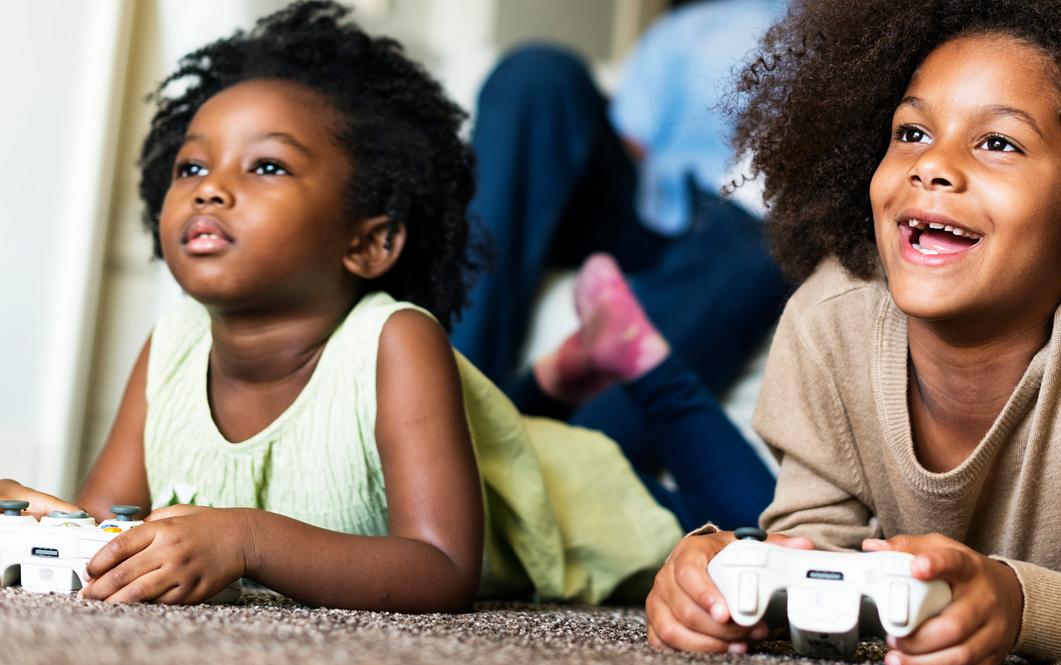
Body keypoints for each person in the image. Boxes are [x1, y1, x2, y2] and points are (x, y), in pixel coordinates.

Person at [0, 0, 782, 610]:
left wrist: (243, 539)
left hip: (590, 512)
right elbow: (107, 529)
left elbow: (442, 569)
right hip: (517, 437)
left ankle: (642, 367)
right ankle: (555, 383)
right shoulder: (169, 344)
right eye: (190, 165)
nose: (209, 184)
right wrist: (37, 519)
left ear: (370, 244)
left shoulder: (397, 341)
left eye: (266, 166)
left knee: (771, 537)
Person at [643, 0, 1061, 665]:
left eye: (998, 142)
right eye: (911, 132)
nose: (933, 164)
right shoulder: (830, 319)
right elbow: (816, 561)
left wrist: (1022, 605)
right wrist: (724, 584)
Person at [451, 0, 793, 481]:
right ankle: (444, 405)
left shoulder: (881, 37)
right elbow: (629, 140)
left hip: (752, 227)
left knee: (767, 241)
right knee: (536, 73)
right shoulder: (694, 27)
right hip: (649, 208)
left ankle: (555, 479)